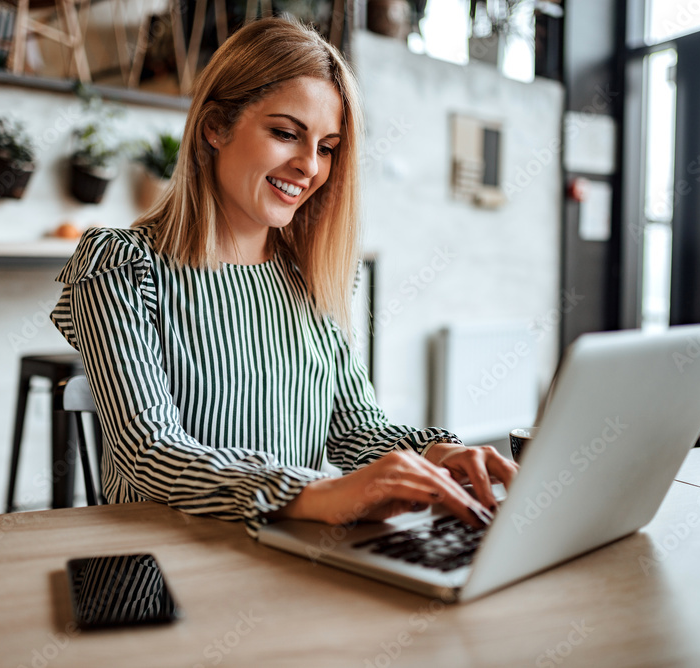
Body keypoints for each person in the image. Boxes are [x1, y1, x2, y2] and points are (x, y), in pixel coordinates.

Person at [51, 17, 517, 538]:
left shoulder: (307, 278)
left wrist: (436, 453)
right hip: (168, 562)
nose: (309, 167)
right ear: (215, 127)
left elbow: (354, 428)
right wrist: (311, 493)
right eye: (285, 134)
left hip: (289, 551)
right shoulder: (121, 267)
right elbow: (151, 453)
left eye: (326, 146)